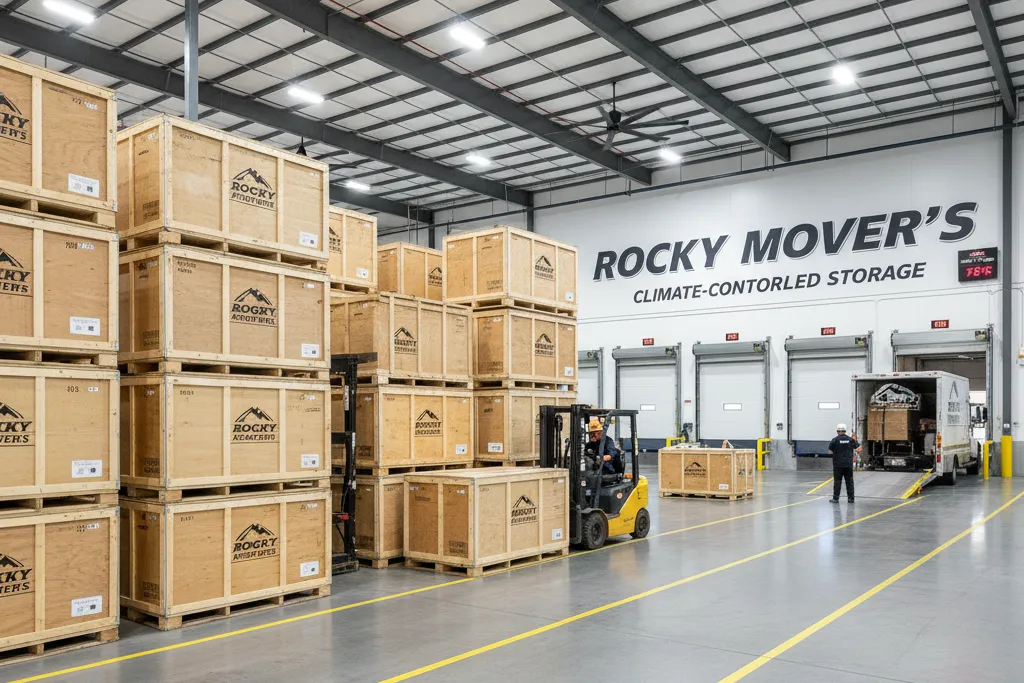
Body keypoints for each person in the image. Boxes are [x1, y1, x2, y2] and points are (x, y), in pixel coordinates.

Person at [828, 423, 860, 503]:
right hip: (848, 465)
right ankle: (851, 498)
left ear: (837, 431)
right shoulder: (850, 440)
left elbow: (830, 451)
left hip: (838, 465)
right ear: (845, 430)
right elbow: (858, 447)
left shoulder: (834, 440)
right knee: (849, 481)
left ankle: (835, 499)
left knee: (837, 482)